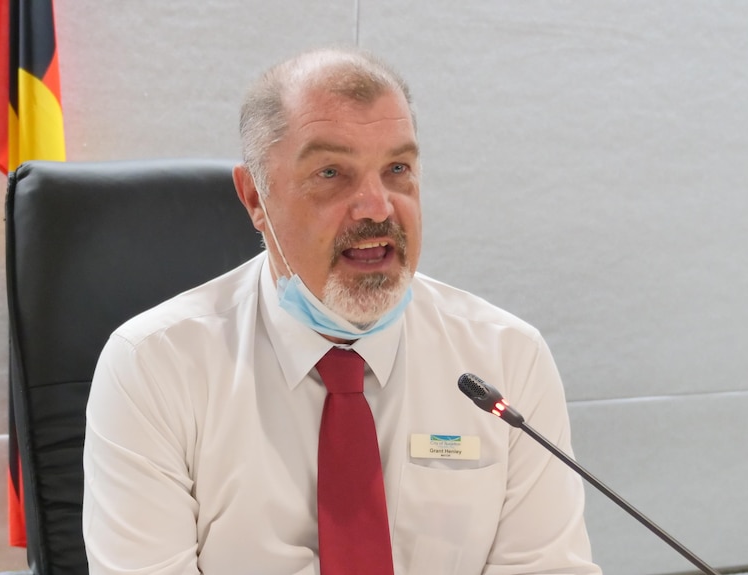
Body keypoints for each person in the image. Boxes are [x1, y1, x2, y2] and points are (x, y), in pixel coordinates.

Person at [82, 47, 601, 575]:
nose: (377, 206)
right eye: (332, 172)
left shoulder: (507, 359)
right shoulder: (154, 366)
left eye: (398, 168)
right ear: (254, 198)